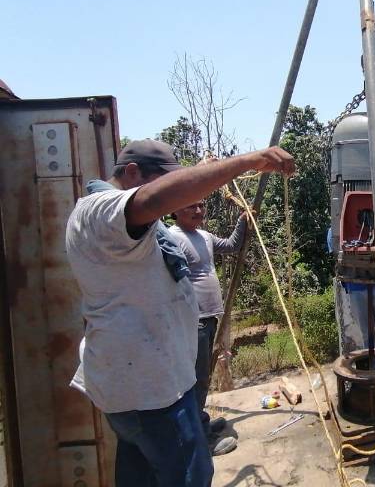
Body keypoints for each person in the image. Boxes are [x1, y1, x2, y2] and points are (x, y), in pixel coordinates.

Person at [66, 139, 294, 487]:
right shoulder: (102, 209)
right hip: (151, 392)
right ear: (131, 173)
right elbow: (154, 199)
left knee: (142, 474)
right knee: (190, 475)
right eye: (163, 184)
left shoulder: (127, 223)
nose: (187, 206)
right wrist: (247, 161)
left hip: (144, 384)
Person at [168, 199, 248, 456]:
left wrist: (243, 220)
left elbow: (233, 245)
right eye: (190, 206)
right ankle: (200, 440)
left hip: (212, 317)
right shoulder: (171, 238)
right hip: (194, 320)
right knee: (196, 378)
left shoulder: (204, 235)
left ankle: (200, 421)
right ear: (175, 210)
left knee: (203, 375)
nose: (198, 211)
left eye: (201, 205)